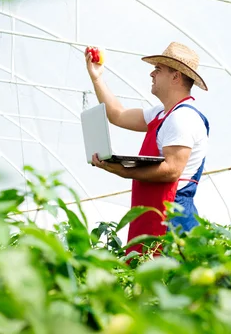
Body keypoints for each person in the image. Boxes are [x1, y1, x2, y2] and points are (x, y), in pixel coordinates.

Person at [85, 42, 209, 254]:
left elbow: (171, 170)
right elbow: (118, 115)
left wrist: (125, 171)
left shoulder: (183, 118)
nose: (152, 74)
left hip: (173, 220)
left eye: (158, 69)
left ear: (175, 77)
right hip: (154, 215)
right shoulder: (162, 114)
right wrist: (97, 77)